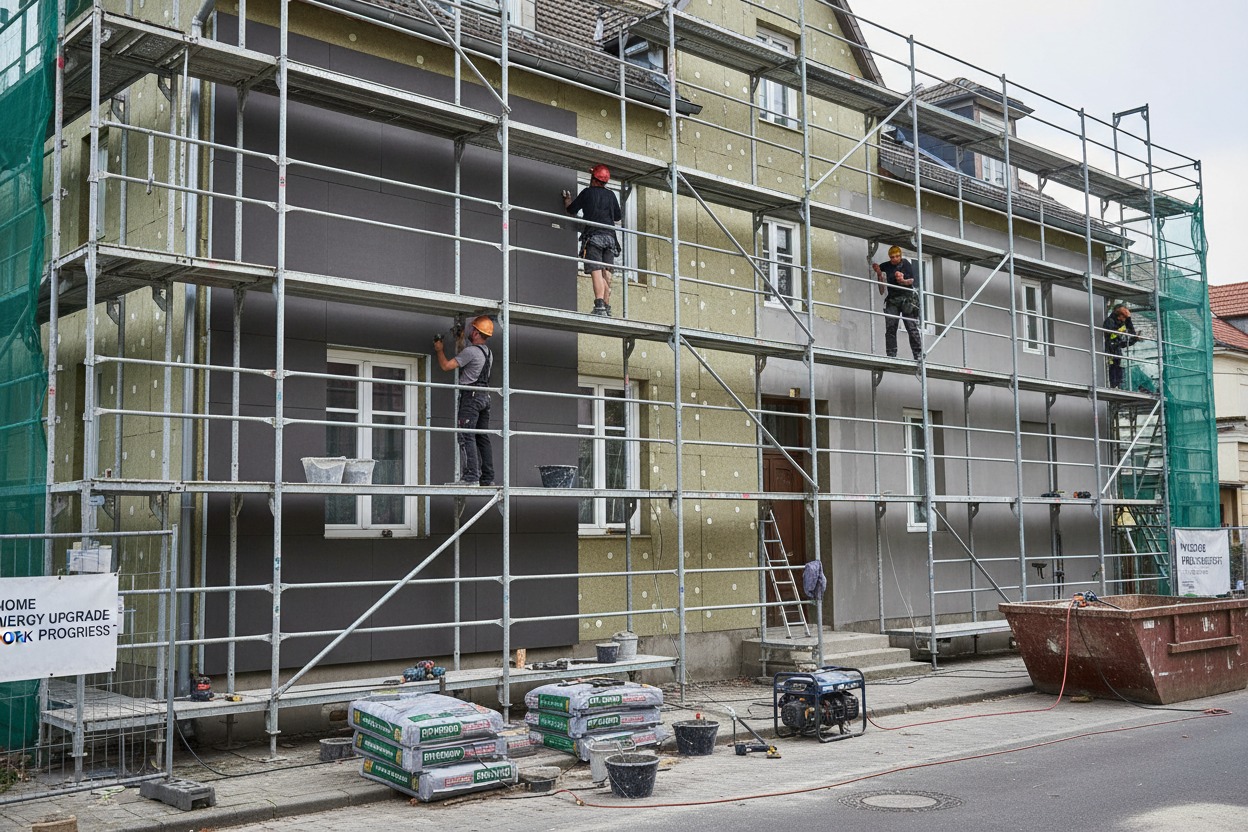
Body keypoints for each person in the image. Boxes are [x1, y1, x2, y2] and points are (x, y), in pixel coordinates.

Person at [433, 315, 495, 486]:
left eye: (471, 329)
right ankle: (487, 478)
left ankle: (470, 478)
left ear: (476, 332)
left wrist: (439, 349)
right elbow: (466, 355)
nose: (469, 331)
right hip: (485, 397)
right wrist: (460, 339)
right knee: (482, 437)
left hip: (471, 397)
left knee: (466, 436)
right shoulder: (488, 353)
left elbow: (446, 366)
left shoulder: (471, 352)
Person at [562, 164, 622, 317]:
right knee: (606, 273)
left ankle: (600, 306)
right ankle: (607, 308)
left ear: (594, 179)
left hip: (594, 236)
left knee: (596, 272)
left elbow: (571, 210)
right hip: (610, 238)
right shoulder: (611, 195)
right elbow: (617, 217)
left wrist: (568, 201)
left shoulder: (587, 193)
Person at [872, 245, 922, 360]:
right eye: (892, 257)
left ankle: (918, 355)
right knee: (891, 327)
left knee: (911, 327)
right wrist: (879, 272)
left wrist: (902, 281)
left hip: (906, 298)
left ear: (901, 256)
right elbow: (881, 286)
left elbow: (911, 281)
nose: (895, 259)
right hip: (893, 299)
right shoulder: (886, 266)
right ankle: (891, 354)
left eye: (897, 256)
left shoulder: (905, 264)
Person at [1102, 303, 1140, 389]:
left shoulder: (1121, 324)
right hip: (1110, 351)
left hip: (1117, 352)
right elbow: (1110, 334)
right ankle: (1112, 386)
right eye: (1124, 316)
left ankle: (1117, 387)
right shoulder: (1110, 321)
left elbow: (1129, 335)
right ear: (1119, 315)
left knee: (1118, 371)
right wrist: (1122, 331)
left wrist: (1134, 339)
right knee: (1112, 370)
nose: (1125, 319)